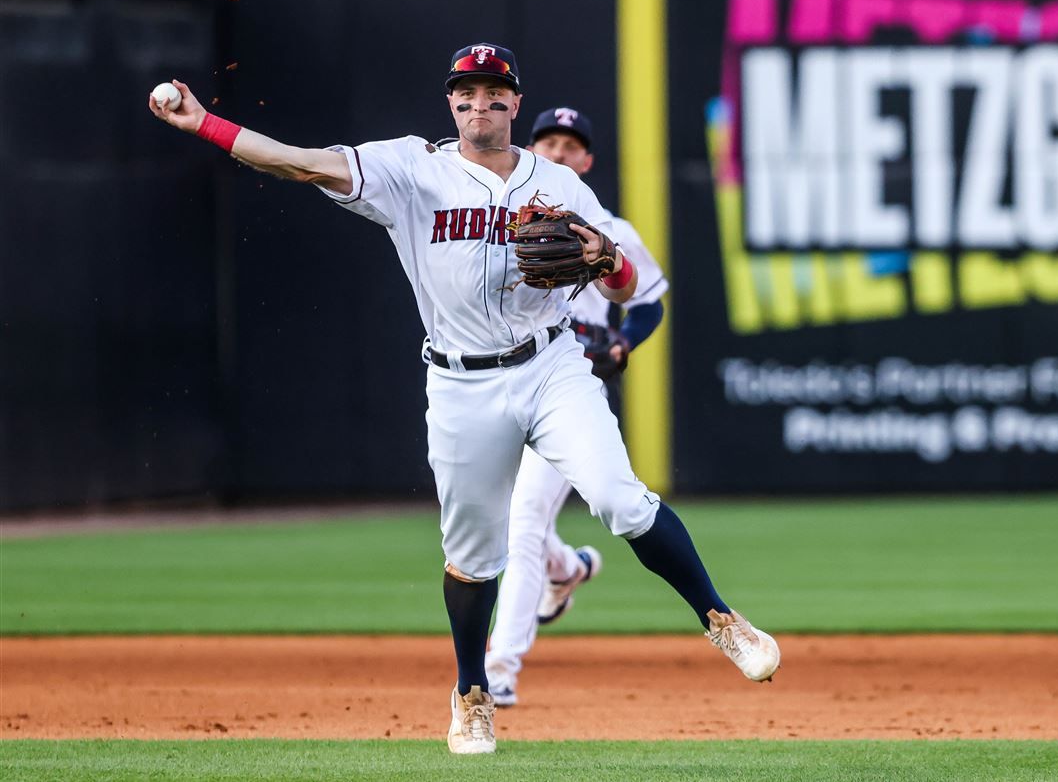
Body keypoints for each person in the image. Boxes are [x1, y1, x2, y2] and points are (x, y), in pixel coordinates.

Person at [148, 42, 779, 756]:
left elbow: (627, 285)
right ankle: (472, 692)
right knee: (474, 555)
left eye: (494, 91)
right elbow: (299, 160)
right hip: (460, 380)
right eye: (466, 92)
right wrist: (207, 124)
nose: (480, 103)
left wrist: (610, 259)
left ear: (515, 101)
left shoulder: (560, 184)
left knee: (620, 497)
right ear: (451, 102)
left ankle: (723, 619)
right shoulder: (411, 168)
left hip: (551, 364)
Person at [485, 107, 669, 707]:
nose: (560, 152)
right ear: (529, 148)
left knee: (524, 518)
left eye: (571, 145)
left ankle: (500, 669)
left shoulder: (609, 225)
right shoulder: (487, 221)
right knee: (504, 517)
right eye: (548, 142)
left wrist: (623, 341)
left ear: (587, 162)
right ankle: (565, 569)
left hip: (567, 382)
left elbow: (647, 301)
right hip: (492, 383)